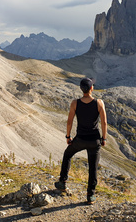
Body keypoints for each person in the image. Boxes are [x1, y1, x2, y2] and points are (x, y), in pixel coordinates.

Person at [54, 77, 108, 205]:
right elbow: (104, 122)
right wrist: (104, 139)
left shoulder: (75, 103)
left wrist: (68, 137)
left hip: (80, 139)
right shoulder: (99, 103)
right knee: (93, 167)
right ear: (91, 89)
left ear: (81, 89)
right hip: (94, 140)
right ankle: (90, 195)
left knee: (67, 154)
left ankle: (62, 181)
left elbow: (69, 121)